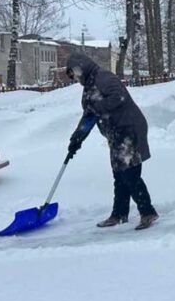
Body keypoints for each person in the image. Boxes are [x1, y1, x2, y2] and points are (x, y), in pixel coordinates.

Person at [65, 53, 159, 230]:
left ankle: (148, 212)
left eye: (75, 74)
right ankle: (119, 214)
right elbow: (89, 116)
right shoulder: (89, 87)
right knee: (119, 174)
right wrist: (77, 139)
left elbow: (118, 97)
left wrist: (97, 107)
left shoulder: (104, 77)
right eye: (72, 76)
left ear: (80, 67)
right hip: (116, 133)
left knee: (130, 173)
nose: (75, 79)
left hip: (128, 127)